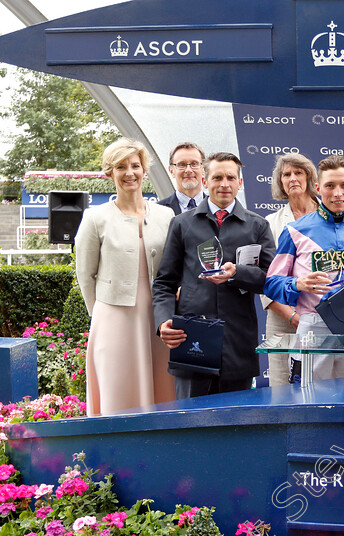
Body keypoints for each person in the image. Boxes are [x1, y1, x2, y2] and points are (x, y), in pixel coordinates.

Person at [153, 152, 275, 399]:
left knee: (235, 426)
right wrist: (163, 320)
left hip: (237, 342)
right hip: (191, 339)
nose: (224, 184)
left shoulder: (257, 225)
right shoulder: (181, 224)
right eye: (217, 177)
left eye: (231, 177)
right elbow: (164, 283)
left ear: (240, 183)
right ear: (205, 181)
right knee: (190, 423)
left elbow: (271, 280)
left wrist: (237, 273)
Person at [263, 155, 344, 382]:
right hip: (313, 325)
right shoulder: (294, 230)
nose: (338, 193)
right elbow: (271, 284)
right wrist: (297, 284)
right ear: (317, 188)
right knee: (308, 401)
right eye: (330, 186)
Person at [75, 138, 176, 416]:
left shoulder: (165, 215)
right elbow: (86, 274)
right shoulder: (95, 217)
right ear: (110, 173)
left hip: (157, 317)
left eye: (135, 165)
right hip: (113, 317)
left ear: (145, 170)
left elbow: (173, 268)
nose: (129, 173)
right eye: (121, 167)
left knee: (163, 386)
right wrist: (100, 315)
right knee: (118, 388)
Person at [259, 153, 319, 385]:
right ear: (280, 182)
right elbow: (264, 278)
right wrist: (292, 316)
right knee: (281, 384)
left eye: (298, 172)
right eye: (286, 174)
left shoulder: (328, 216)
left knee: (322, 383)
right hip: (282, 317)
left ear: (309, 177)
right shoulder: (270, 223)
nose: (292, 178)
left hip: (321, 316)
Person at [158, 142, 207, 214]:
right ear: (172, 171)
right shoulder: (158, 210)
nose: (188, 170)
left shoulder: (217, 208)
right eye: (182, 165)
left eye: (194, 164)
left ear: (203, 169)